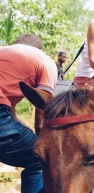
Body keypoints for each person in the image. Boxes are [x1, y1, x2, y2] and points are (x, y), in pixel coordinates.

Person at [0, 34, 58, 193]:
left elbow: (9, 113)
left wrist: (23, 129)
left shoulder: (4, 52)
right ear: (41, 49)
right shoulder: (45, 60)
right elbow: (42, 109)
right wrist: (42, 142)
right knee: (40, 158)